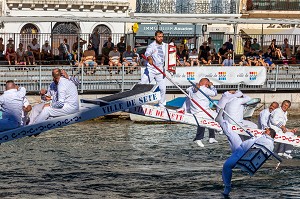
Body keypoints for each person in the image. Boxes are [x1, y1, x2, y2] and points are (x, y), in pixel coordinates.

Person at [215, 108, 276, 197]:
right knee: (231, 134)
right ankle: (221, 121)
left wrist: (258, 139)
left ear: (270, 134)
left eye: (266, 130)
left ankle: (227, 187)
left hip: (242, 155)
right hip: (240, 148)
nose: (264, 130)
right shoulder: (263, 137)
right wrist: (256, 137)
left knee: (227, 166)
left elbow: (265, 149)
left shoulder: (268, 142)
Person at [186, 78, 218, 147]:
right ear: (206, 84)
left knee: (213, 117)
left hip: (197, 110)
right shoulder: (204, 89)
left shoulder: (191, 88)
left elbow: (188, 90)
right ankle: (198, 138)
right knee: (206, 121)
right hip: (202, 111)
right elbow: (215, 93)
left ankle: (211, 137)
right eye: (207, 84)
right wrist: (212, 86)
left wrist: (196, 87)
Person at [140, 30, 167, 107]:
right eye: (159, 37)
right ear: (155, 37)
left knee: (162, 89)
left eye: (162, 36)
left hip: (160, 70)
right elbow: (147, 53)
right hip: (151, 70)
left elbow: (170, 51)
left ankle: (162, 105)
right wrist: (149, 58)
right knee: (142, 84)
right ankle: (138, 102)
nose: (161, 38)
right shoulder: (152, 46)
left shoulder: (165, 45)